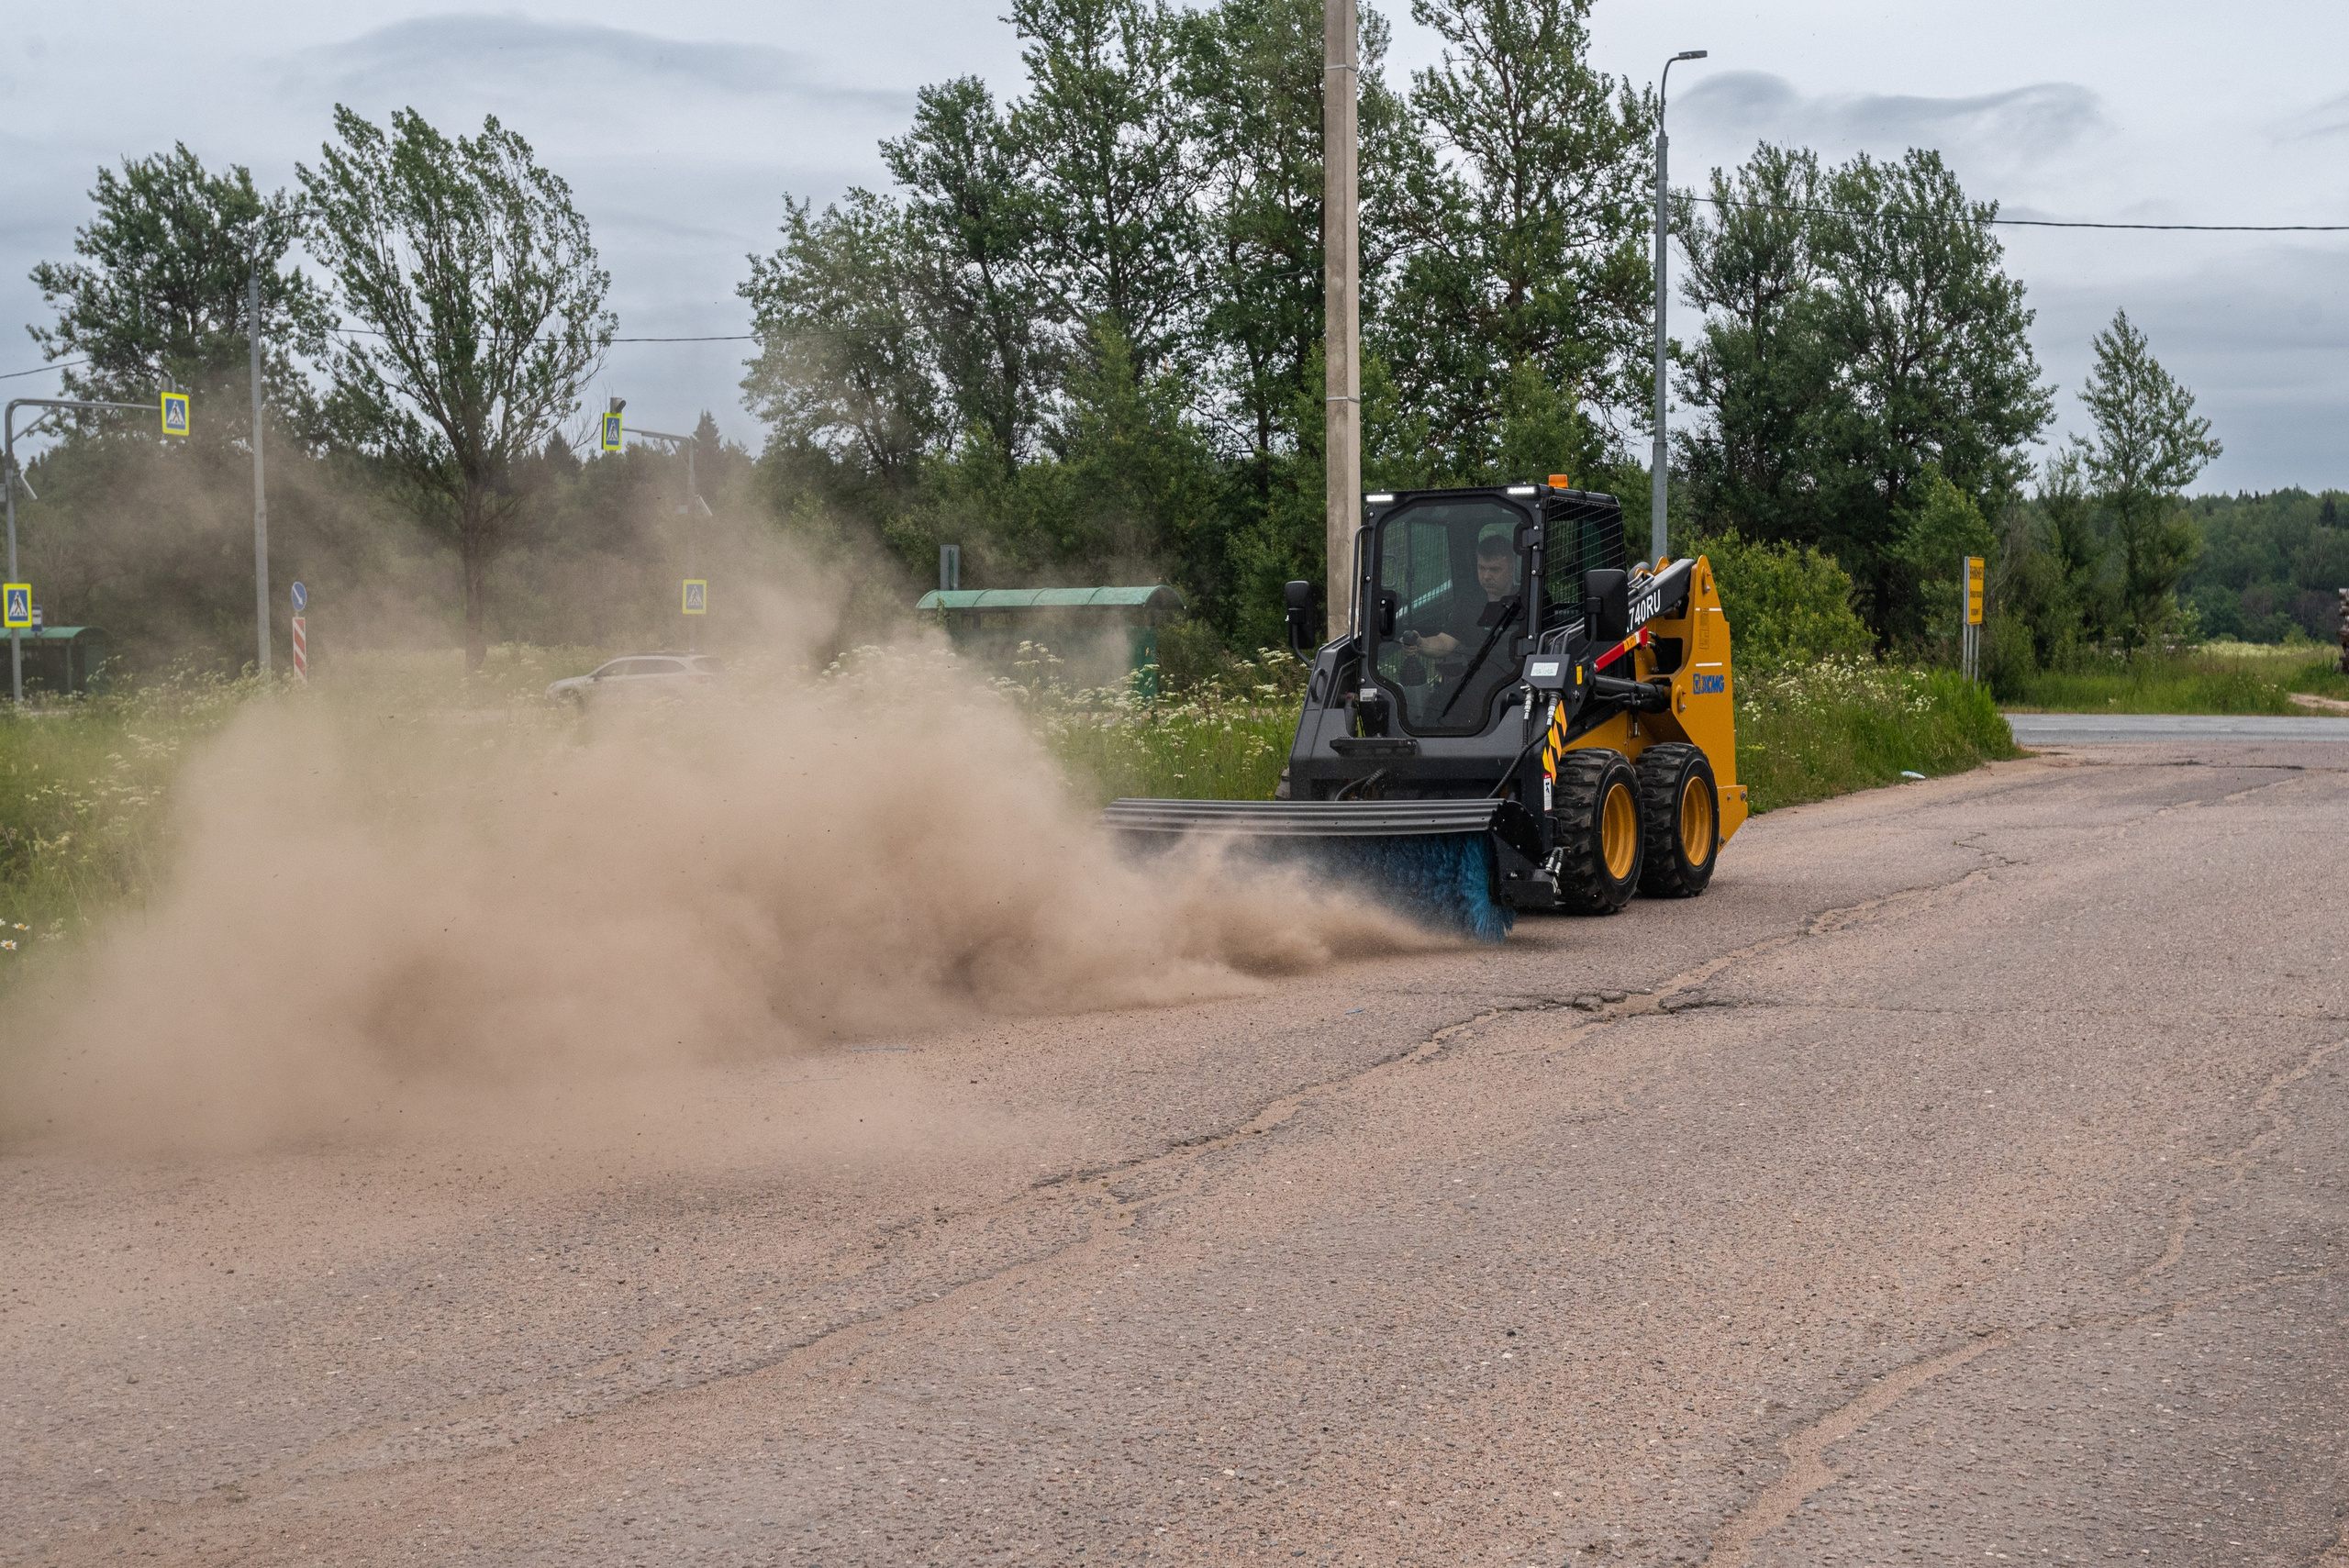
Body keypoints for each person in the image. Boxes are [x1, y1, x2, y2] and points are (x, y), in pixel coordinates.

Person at [1400, 528, 1519, 657]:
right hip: (1473, 674)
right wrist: (1421, 643)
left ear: (1512, 567)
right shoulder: (1469, 602)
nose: (1486, 576)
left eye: (1494, 569)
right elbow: (1444, 642)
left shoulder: (1529, 599)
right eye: (1481, 568)